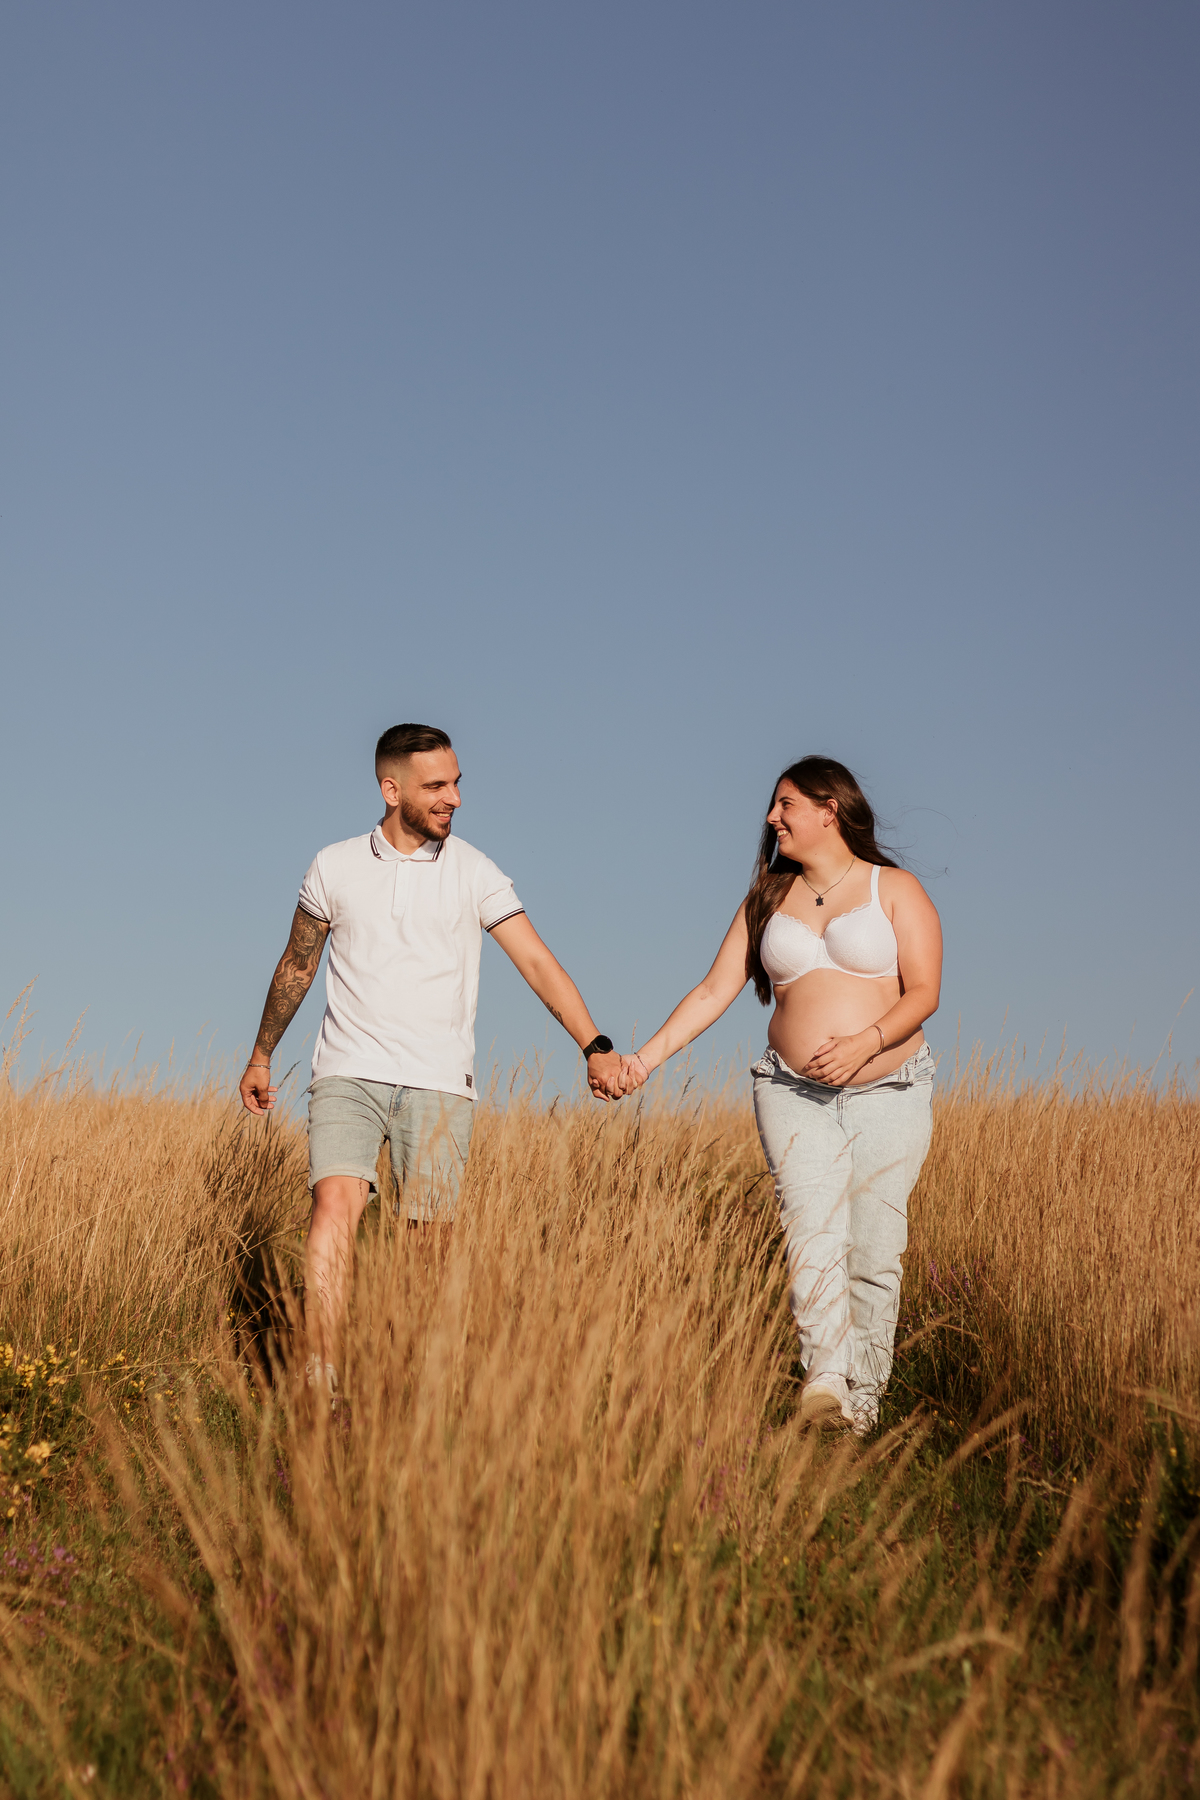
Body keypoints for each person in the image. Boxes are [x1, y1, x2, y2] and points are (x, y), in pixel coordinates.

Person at [239, 722, 623, 1389]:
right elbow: (297, 964)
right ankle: (320, 1372)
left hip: (441, 1082)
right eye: (436, 786)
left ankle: (407, 1382)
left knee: (427, 1243)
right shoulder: (334, 865)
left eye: (457, 783)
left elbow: (536, 962)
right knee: (333, 1207)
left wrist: (594, 1045)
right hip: (348, 1070)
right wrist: (261, 1054)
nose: (454, 799)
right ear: (391, 790)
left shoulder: (475, 871)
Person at [607, 757, 942, 1436]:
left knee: (874, 1249)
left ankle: (864, 1404)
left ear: (829, 809)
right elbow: (713, 991)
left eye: (786, 804)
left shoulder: (894, 889)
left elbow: (925, 993)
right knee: (812, 1231)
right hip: (790, 1090)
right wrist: (643, 1060)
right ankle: (824, 1385)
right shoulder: (765, 899)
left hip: (891, 1088)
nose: (772, 817)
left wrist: (865, 1042)